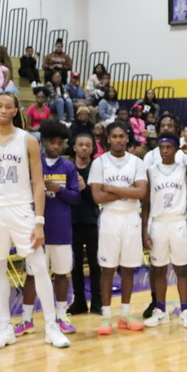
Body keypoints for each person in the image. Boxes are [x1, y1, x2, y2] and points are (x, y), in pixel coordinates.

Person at [0, 91, 71, 351]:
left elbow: (38, 183)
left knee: (38, 265)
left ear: (16, 111)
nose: (4, 110)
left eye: (9, 106)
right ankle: (5, 326)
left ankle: (51, 326)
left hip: (21, 210)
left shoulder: (27, 140)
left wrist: (39, 221)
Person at [14, 122, 80, 337]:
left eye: (61, 143)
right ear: (43, 142)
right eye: (53, 142)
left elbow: (76, 197)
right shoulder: (34, 164)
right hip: (36, 230)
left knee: (61, 275)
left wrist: (59, 190)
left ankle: (61, 317)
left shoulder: (69, 167)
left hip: (62, 230)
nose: (57, 146)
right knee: (32, 275)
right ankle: (26, 319)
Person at [142, 131, 187, 329]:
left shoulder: (183, 167)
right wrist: (144, 231)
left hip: (179, 222)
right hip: (158, 223)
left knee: (181, 268)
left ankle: (186, 309)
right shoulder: (151, 170)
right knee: (158, 269)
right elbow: (146, 204)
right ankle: (161, 310)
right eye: (161, 147)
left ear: (175, 148)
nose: (164, 151)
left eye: (168, 147)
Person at [89, 122, 147, 336]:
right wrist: (127, 191)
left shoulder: (136, 162)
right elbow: (97, 196)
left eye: (122, 136)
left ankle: (125, 314)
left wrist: (112, 188)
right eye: (114, 136)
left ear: (127, 138)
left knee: (129, 267)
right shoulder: (99, 163)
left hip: (131, 217)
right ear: (108, 139)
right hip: (110, 218)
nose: (118, 140)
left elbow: (140, 192)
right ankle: (106, 316)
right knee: (108, 268)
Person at [67, 132, 102, 315]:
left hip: (92, 221)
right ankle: (79, 300)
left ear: (92, 148)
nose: (84, 148)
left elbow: (97, 197)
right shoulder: (68, 168)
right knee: (75, 265)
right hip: (72, 222)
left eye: (87, 145)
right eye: (80, 144)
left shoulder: (96, 169)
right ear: (74, 147)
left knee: (96, 265)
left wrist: (85, 189)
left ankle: (97, 301)